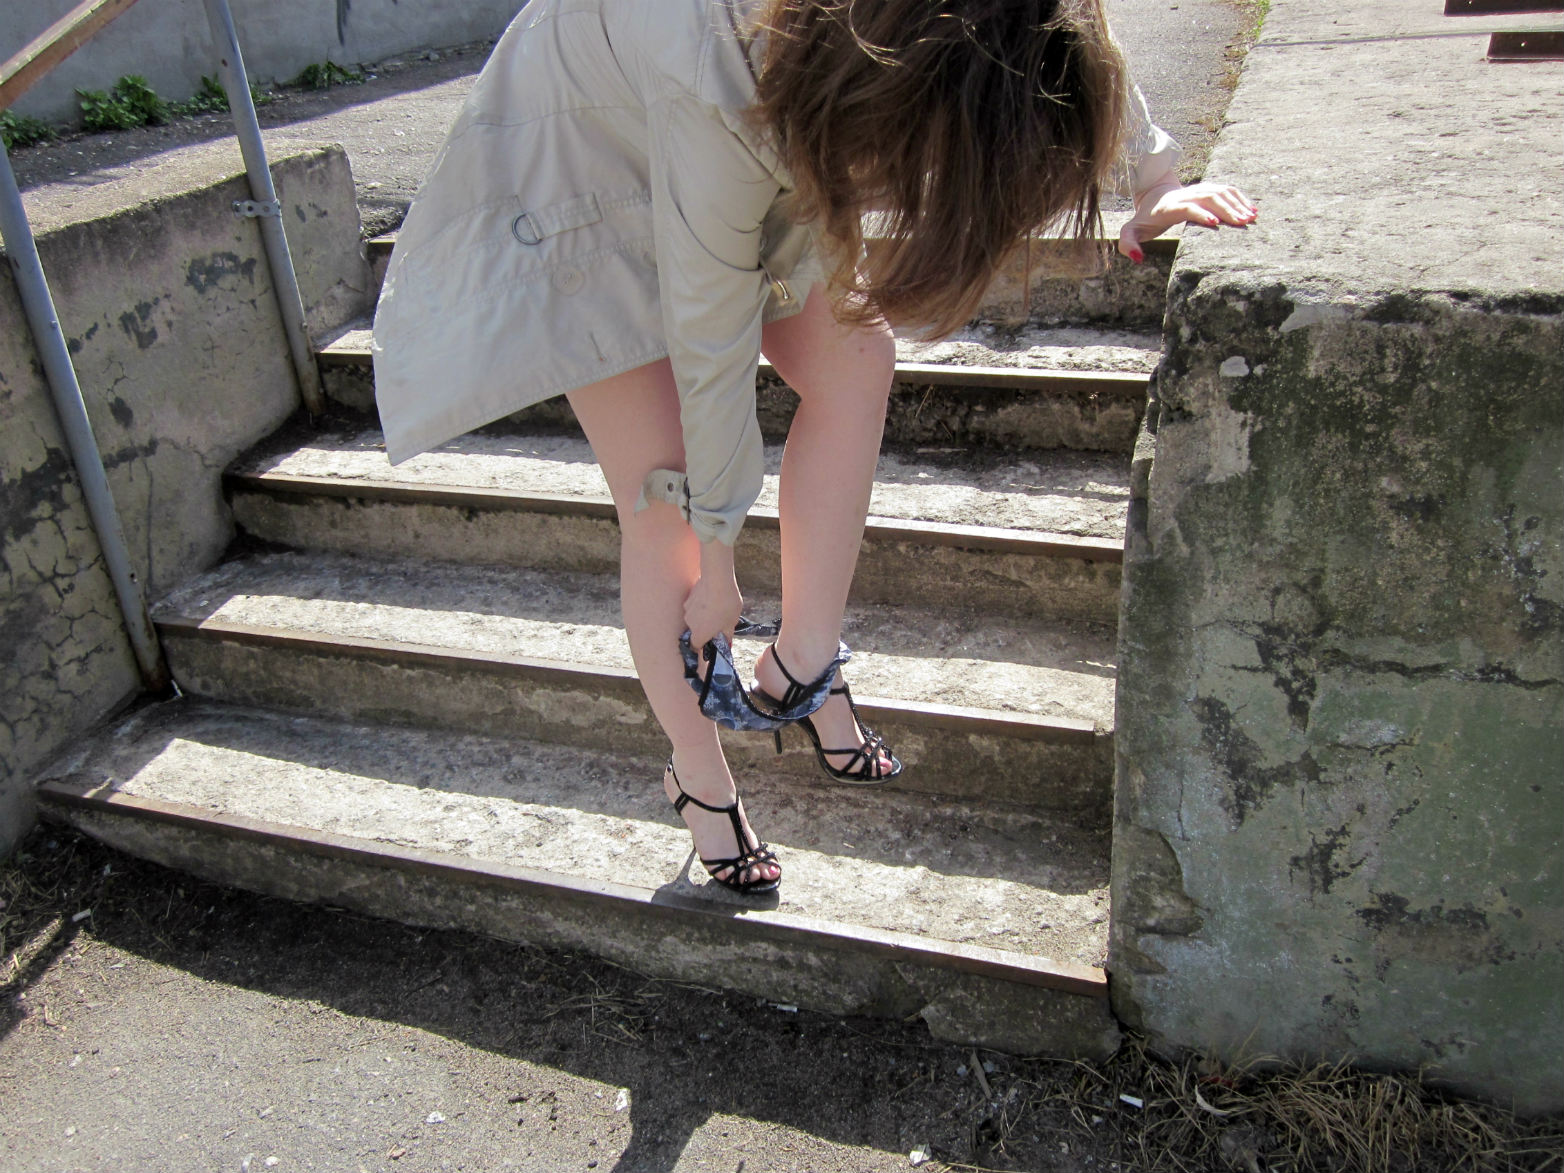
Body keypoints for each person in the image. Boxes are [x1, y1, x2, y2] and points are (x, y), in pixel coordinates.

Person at [372, 0, 1257, 896]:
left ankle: (803, 662)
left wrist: (1154, 174)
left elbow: (1043, 34)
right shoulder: (722, 83)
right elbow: (711, 339)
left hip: (784, 93)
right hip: (589, 155)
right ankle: (699, 777)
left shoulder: (893, 47)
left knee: (856, 361)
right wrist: (718, 559)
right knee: (664, 493)